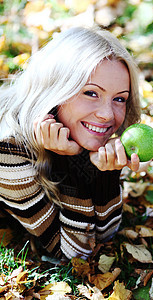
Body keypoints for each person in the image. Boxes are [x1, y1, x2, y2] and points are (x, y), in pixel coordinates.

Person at [0, 26, 141, 260]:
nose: (107, 114)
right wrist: (71, 160)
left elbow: (104, 235)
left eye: (119, 98)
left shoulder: (79, 133)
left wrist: (104, 173)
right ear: (57, 89)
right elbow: (74, 253)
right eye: (91, 93)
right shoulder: (8, 149)